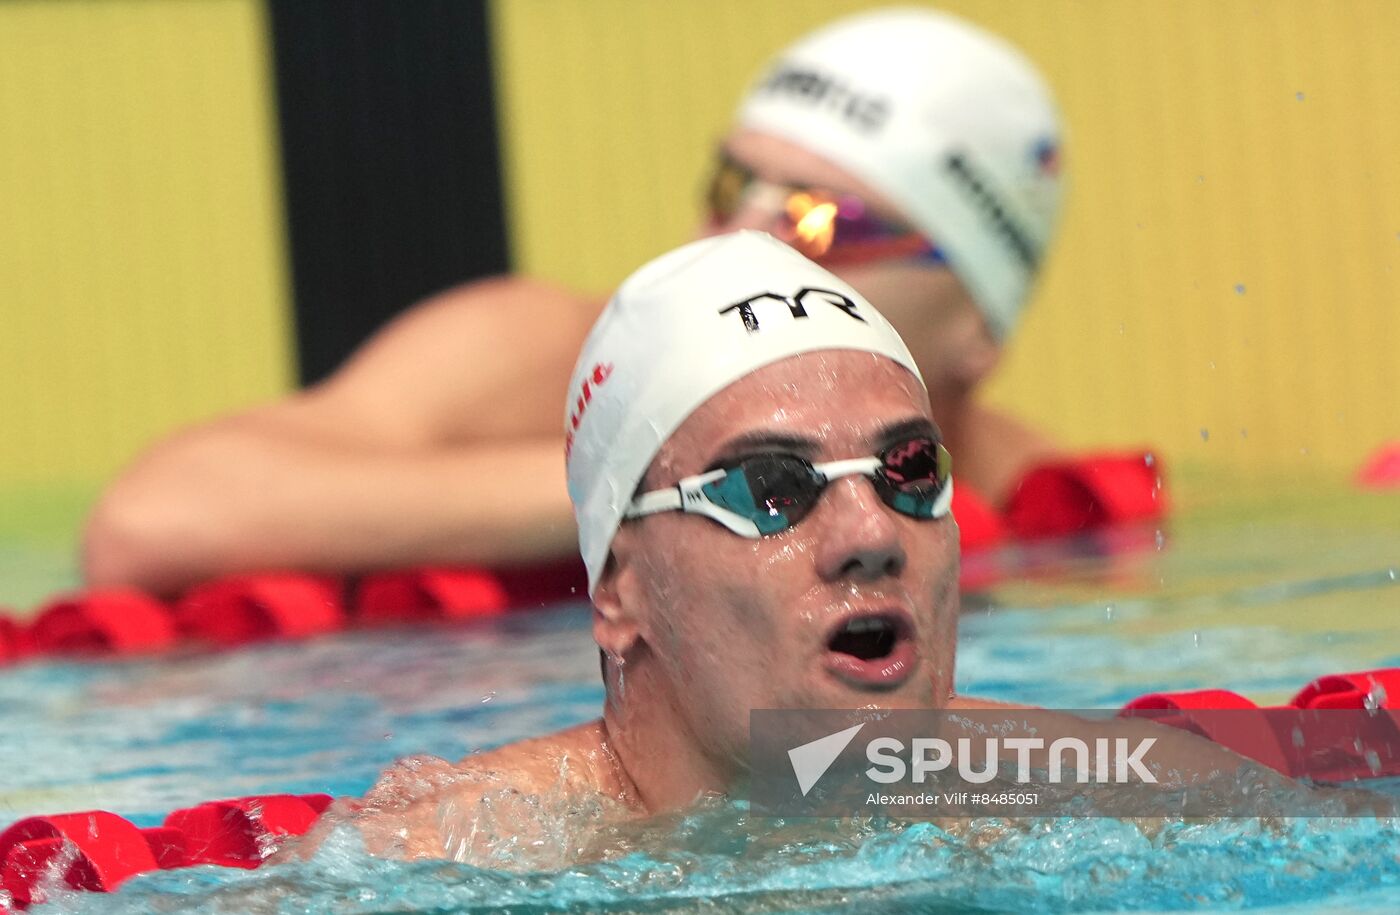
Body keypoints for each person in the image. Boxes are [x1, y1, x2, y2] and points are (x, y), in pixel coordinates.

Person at [324, 234, 1245, 867]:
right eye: (774, 488)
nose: (872, 535)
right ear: (617, 586)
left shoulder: (1131, 798)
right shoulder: (450, 854)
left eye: (907, 469)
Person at [82, 8, 1065, 596]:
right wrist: (644, 466)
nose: (736, 244)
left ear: (974, 323)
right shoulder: (535, 356)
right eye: (733, 190)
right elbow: (149, 524)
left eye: (817, 220)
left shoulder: (1033, 503)